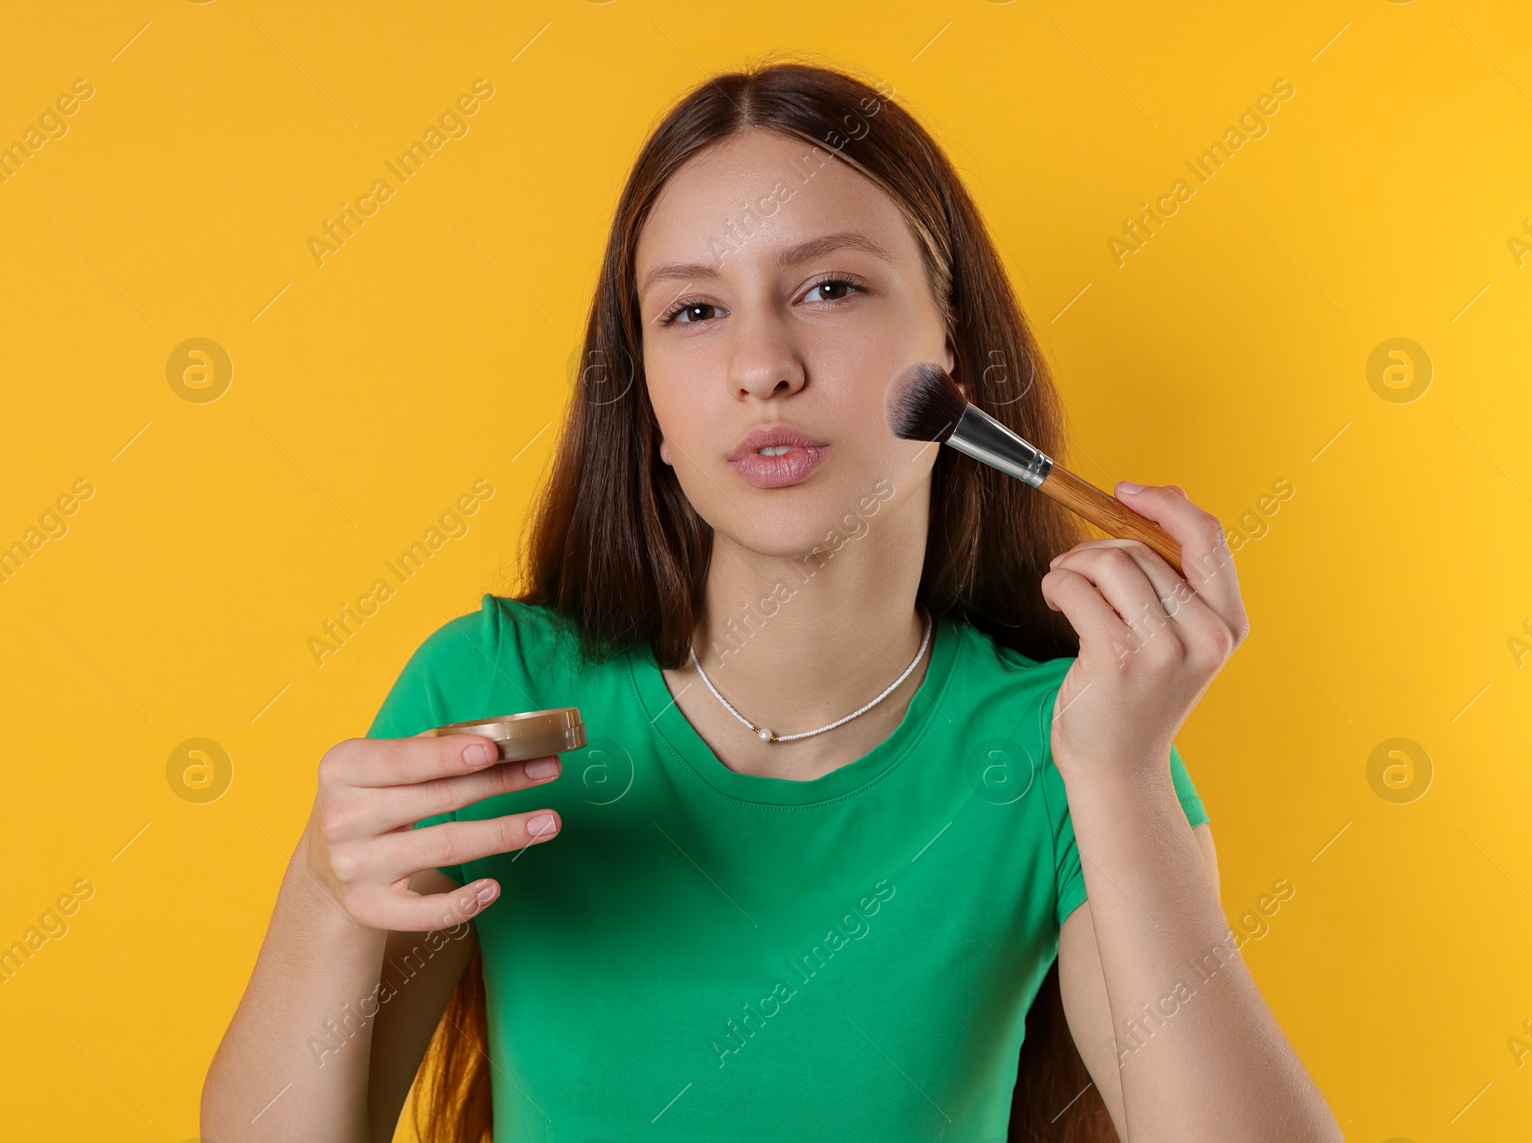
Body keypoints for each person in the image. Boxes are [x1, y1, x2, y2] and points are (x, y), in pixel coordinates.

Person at [202, 59, 1341, 1143]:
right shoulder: (496, 693)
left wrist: (1122, 777)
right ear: (646, 404)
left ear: (959, 362)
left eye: (830, 288)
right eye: (693, 312)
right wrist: (323, 894)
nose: (762, 364)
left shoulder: (1065, 752)